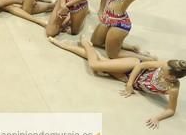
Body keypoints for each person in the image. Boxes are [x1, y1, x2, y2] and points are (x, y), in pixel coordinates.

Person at [49, 36, 183, 128]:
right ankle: (84, 43)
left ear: (172, 77)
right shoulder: (165, 64)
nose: (164, 67)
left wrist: (157, 118)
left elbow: (171, 109)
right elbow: (141, 66)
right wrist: (130, 85)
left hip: (125, 78)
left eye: (167, 70)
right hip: (132, 66)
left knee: (100, 62)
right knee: (95, 66)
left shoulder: (173, 89)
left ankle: (65, 45)